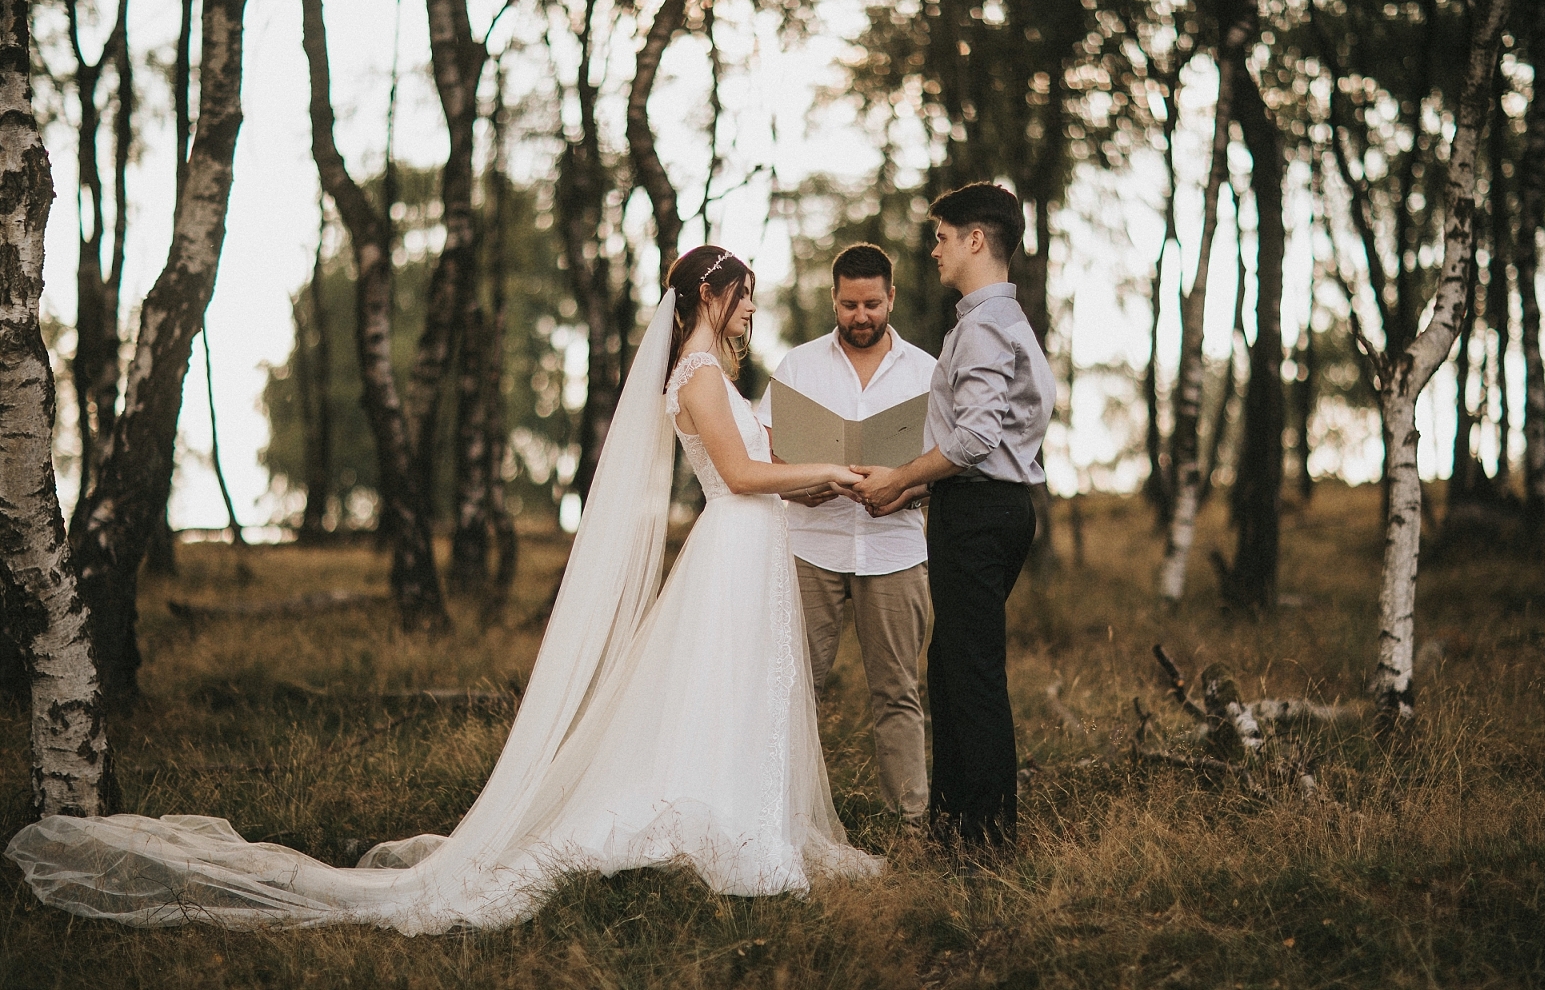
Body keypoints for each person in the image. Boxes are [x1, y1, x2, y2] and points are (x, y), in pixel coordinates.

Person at [6, 246, 881, 932]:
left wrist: (817, 473)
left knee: (740, 696)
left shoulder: (710, 376)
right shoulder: (697, 377)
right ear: (708, 300)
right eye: (745, 295)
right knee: (720, 691)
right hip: (736, 550)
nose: (754, 309)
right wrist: (830, 471)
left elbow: (759, 467)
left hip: (751, 547)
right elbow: (735, 472)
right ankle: (728, 834)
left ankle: (747, 822)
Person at [852, 184, 1055, 850]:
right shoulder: (994, 321)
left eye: (941, 236)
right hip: (980, 503)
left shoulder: (988, 325)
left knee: (970, 669)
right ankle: (955, 819)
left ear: (975, 239)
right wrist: (912, 492)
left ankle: (987, 834)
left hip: (979, 510)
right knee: (953, 662)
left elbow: (974, 439)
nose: (932, 248)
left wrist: (906, 475)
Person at [755, 244, 937, 822]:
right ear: (833, 298)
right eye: (850, 304)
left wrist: (907, 488)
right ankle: (775, 815)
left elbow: (947, 463)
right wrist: (801, 484)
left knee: (899, 692)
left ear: (892, 298)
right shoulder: (799, 367)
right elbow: (766, 456)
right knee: (794, 688)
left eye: (873, 304)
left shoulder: (929, 372)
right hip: (812, 544)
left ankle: (910, 820)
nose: (862, 316)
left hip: (897, 548)